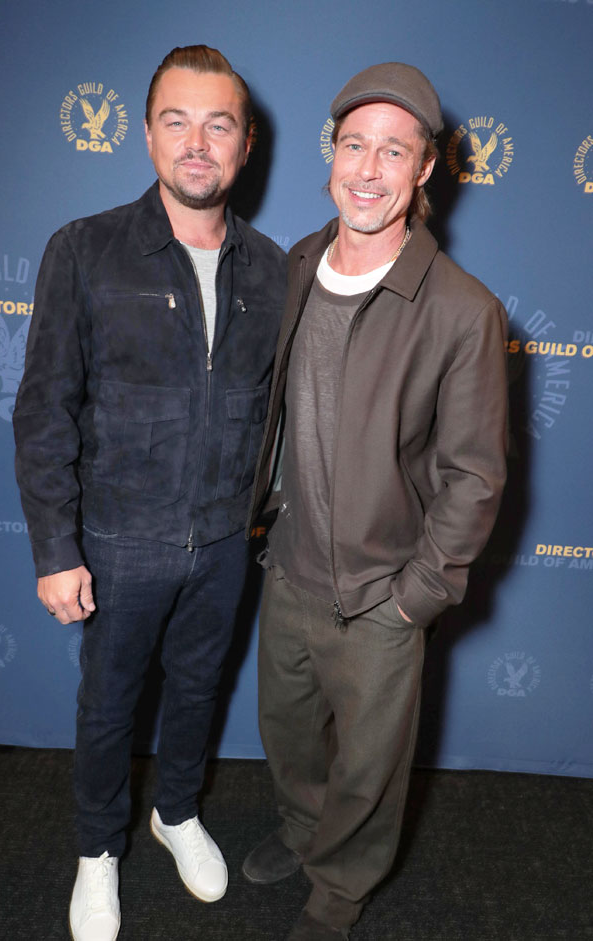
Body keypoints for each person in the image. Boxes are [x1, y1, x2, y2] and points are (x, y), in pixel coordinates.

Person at [13, 45, 285, 941]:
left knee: (199, 687)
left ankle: (176, 811)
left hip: (224, 540)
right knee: (109, 704)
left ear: (245, 144)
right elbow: (44, 409)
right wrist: (57, 549)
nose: (197, 143)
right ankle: (98, 848)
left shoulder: (273, 269)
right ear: (146, 134)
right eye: (177, 121)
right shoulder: (84, 249)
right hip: (119, 538)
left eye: (218, 125)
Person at [242, 63, 508, 940]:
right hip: (289, 568)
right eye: (354, 145)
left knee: (369, 769)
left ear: (425, 168)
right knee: (287, 733)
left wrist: (414, 597)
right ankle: (302, 831)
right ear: (331, 156)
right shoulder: (298, 262)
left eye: (394, 151)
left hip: (381, 593)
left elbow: (474, 475)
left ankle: (338, 890)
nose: (368, 168)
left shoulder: (462, 310)